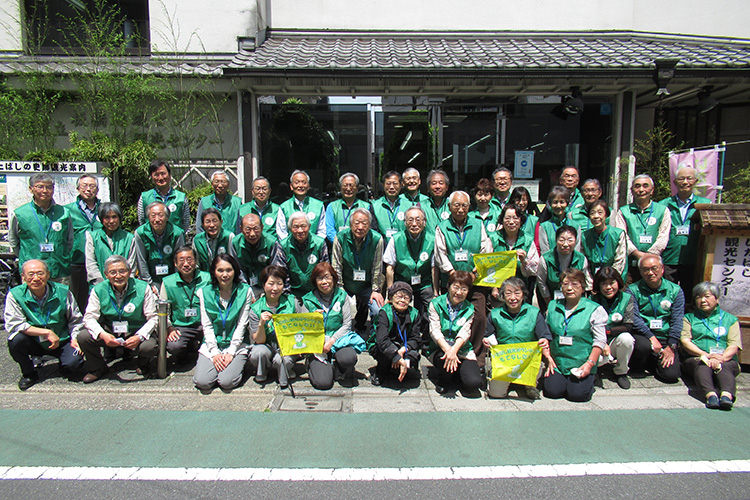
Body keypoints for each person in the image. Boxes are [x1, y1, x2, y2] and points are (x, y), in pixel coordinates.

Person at [5, 260, 85, 390]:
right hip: (34, 340)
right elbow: (14, 324)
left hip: (61, 340)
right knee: (16, 341)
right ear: (23, 276)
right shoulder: (15, 295)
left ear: (48, 274)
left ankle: (65, 365)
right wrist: (46, 332)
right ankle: (29, 373)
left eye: (40, 273)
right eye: (31, 274)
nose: (36, 278)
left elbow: (75, 320)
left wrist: (75, 338)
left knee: (74, 365)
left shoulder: (62, 291)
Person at [434, 190, 493, 364]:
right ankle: (452, 352)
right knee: (452, 318)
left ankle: (476, 356)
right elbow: (440, 254)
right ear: (449, 206)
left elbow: (486, 249)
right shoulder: (442, 227)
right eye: (457, 205)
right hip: (451, 282)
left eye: (464, 206)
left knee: (480, 317)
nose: (460, 209)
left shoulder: (477, 224)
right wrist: (453, 275)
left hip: (475, 281)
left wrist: (474, 273)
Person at [78, 255, 158, 383]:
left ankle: (144, 364)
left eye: (122, 271)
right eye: (113, 272)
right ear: (106, 274)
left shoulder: (143, 287)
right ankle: (97, 368)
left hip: (135, 329)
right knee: (83, 336)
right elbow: (89, 317)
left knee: (149, 346)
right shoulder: (98, 290)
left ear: (129, 272)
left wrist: (139, 336)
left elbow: (153, 317)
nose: (118, 276)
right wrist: (102, 334)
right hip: (110, 330)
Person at [544, 269, 608, 402]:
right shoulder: (552, 306)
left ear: (583, 287)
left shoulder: (595, 309)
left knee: (577, 395)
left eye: (574, 284)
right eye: (565, 284)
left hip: (582, 362)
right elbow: (546, 334)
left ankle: (591, 378)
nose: (569, 288)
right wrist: (548, 358)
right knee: (552, 392)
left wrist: (590, 364)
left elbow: (600, 340)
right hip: (558, 363)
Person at [483, 277, 553, 400]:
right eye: (508, 293)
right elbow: (488, 334)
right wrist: (486, 340)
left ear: (523, 295)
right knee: (496, 394)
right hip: (505, 360)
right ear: (502, 296)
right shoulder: (495, 314)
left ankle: (529, 385)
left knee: (531, 388)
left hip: (527, 360)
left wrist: (544, 341)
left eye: (517, 293)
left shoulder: (534, 313)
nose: (513, 298)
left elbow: (544, 335)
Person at [193, 254, 254, 392]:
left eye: (229, 270)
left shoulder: (245, 291)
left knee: (227, 382)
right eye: (220, 270)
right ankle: (219, 366)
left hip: (237, 345)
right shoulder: (204, 292)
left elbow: (242, 324)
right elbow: (207, 325)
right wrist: (215, 353)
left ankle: (240, 365)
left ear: (235, 271)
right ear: (214, 272)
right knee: (202, 382)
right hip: (213, 344)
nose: (225, 274)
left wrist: (231, 351)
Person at [681, 281, 742, 410]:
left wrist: (721, 358)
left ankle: (726, 396)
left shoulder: (730, 319)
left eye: (707, 296)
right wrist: (706, 355)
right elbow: (685, 341)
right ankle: (711, 395)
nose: (703, 300)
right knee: (702, 365)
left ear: (717, 298)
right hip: (697, 357)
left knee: (724, 366)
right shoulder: (689, 318)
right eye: (698, 297)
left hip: (725, 358)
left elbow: (734, 344)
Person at [301, 262, 361, 389]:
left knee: (349, 358)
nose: (324, 282)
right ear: (315, 281)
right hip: (317, 345)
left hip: (337, 340)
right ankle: (312, 363)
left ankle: (339, 368)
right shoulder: (307, 300)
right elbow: (303, 329)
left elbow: (347, 324)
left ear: (334, 278)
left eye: (327, 277)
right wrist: (311, 319)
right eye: (320, 278)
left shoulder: (342, 296)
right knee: (323, 383)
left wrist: (332, 341)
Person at [383, 206, 436, 345]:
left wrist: (436, 292)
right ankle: (398, 338)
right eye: (410, 220)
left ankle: (426, 340)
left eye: (418, 220)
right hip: (403, 281)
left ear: (424, 222)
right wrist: (390, 292)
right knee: (397, 307)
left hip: (423, 282)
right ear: (405, 222)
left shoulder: (432, 239)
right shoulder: (396, 239)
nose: (414, 224)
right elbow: (390, 268)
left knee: (431, 306)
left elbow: (434, 268)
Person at [628, 254, 684, 383]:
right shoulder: (632, 290)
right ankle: (642, 362)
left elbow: (677, 320)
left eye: (654, 268)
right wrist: (651, 337)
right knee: (642, 346)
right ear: (640, 272)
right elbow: (634, 318)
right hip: (643, 336)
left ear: (662, 268)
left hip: (665, 337)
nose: (650, 273)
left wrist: (671, 346)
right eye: (645, 269)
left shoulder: (675, 290)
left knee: (671, 376)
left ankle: (653, 361)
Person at [9, 173, 74, 284]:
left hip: (59, 270)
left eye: (49, 187)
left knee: (61, 295)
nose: (45, 191)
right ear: (31, 189)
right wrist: (27, 255)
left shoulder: (63, 213)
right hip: (32, 274)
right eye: (40, 187)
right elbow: (14, 241)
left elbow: (69, 241)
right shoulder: (20, 214)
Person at [426, 271, 483, 395]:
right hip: (440, 348)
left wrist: (454, 351)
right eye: (456, 287)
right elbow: (435, 331)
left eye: (464, 289)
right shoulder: (436, 304)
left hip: (462, 349)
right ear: (448, 286)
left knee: (473, 383)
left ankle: (456, 373)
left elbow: (465, 333)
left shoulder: (470, 308)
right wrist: (448, 350)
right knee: (444, 359)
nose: (459, 292)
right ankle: (443, 380)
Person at [331, 207, 385, 334]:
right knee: (337, 307)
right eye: (356, 223)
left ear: (370, 225)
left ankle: (374, 339)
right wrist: (340, 289)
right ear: (350, 225)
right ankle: (339, 334)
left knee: (378, 310)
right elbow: (336, 266)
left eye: (364, 223)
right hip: (345, 283)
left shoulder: (377, 239)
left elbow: (377, 267)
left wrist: (376, 290)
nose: (360, 227)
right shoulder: (340, 237)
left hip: (366, 285)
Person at [660, 166, 711, 297]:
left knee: (691, 294)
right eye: (681, 179)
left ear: (696, 181)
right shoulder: (663, 204)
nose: (685, 182)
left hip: (693, 257)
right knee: (667, 293)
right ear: (675, 182)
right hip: (670, 256)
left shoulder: (705, 204)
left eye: (689, 178)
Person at [248, 266, 302, 387]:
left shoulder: (292, 302)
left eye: (279, 284)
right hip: (266, 346)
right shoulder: (255, 308)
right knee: (258, 353)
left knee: (282, 359)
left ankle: (285, 370)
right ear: (263, 285)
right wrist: (261, 324)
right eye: (271, 284)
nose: (275, 288)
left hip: (287, 346)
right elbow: (259, 340)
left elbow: (301, 328)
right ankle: (263, 371)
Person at [613, 174, 671, 284]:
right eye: (637, 186)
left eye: (645, 186)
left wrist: (649, 256)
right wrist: (636, 253)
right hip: (631, 264)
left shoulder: (663, 211)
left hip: (654, 266)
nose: (641, 189)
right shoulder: (623, 211)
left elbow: (663, 236)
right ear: (632, 190)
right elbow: (622, 236)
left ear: (652, 190)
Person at [159, 247, 211, 364]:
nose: (186, 264)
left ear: (196, 261)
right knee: (174, 346)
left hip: (204, 324)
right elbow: (163, 310)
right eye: (181, 260)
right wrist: (169, 327)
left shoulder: (207, 279)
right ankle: (185, 353)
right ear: (175, 263)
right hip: (181, 326)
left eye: (190, 259)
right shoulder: (168, 283)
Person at [591, 267, 637, 389]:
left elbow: (628, 326)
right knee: (599, 359)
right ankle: (593, 371)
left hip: (614, 340)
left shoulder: (627, 298)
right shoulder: (591, 300)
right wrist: (601, 341)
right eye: (603, 284)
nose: (608, 287)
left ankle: (621, 372)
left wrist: (608, 331)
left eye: (612, 283)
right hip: (596, 340)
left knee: (627, 339)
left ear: (618, 282)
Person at [372, 281, 421, 387]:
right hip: (387, 345)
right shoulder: (384, 312)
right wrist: (395, 354)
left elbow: (416, 338)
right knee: (384, 353)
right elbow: (382, 340)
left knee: (413, 357)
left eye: (406, 297)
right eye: (398, 297)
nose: (402, 300)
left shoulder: (414, 313)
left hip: (404, 346)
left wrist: (402, 350)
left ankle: (401, 368)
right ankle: (380, 372)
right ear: (391, 298)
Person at [272, 211, 329, 298]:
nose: (300, 230)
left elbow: (325, 271)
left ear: (309, 226)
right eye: (295, 227)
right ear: (290, 228)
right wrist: (289, 298)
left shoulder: (320, 243)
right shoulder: (283, 246)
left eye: (303, 226)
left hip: (316, 293)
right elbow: (281, 274)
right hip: (292, 293)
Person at [66, 174, 102, 312]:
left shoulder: (104, 209)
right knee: (77, 299)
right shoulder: (68, 211)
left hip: (99, 262)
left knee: (99, 298)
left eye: (92, 186)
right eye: (84, 186)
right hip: (77, 262)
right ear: (78, 188)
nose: (88, 189)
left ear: (97, 189)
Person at [134, 201, 186, 291]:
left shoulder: (177, 233)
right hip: (151, 280)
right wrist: (149, 284)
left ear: (167, 217)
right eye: (153, 216)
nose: (157, 219)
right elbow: (141, 260)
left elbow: (180, 259)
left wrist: (176, 282)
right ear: (148, 217)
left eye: (160, 215)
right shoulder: (140, 233)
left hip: (172, 279)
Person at [537, 226, 592, 308]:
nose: (566, 244)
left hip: (575, 300)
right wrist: (549, 303)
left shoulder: (581, 259)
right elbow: (541, 282)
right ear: (556, 240)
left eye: (570, 240)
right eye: (562, 240)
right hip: (550, 298)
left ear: (576, 241)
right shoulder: (545, 259)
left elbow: (583, 283)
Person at [488, 203, 539, 293]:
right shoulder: (493, 238)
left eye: (515, 218)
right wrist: (493, 288)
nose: (511, 222)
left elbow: (535, 270)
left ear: (521, 220)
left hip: (520, 290)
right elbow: (486, 264)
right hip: (498, 290)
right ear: (502, 220)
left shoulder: (528, 240)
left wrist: (524, 261)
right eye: (507, 218)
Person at [85, 202, 136, 285]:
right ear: (101, 219)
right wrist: (103, 285)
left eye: (114, 217)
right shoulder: (93, 237)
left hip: (124, 285)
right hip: (99, 285)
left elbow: (131, 266)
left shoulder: (129, 238)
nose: (111, 221)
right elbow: (91, 264)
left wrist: (123, 284)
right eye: (107, 217)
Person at [230, 213, 278, 297]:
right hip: (243, 286)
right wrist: (246, 290)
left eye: (256, 229)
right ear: (241, 229)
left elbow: (275, 269)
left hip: (267, 287)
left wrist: (267, 289)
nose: (252, 234)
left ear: (262, 228)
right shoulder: (235, 243)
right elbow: (237, 269)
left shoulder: (271, 242)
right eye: (248, 229)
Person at [136, 160, 190, 231]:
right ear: (151, 177)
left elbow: (186, 223)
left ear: (170, 175)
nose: (160, 178)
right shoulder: (144, 198)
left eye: (163, 173)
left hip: (174, 237)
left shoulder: (181, 197)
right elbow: (142, 221)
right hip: (151, 237)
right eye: (156, 175)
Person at [581, 200, 627, 280]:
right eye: (592, 213)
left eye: (600, 213)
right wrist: (591, 283)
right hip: (592, 280)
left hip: (613, 279)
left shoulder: (618, 234)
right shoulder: (584, 236)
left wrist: (609, 280)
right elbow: (584, 263)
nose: (596, 216)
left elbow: (620, 260)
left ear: (606, 215)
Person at [276, 170, 326, 240]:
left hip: (314, 246)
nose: (300, 186)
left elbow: (322, 230)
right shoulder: (284, 207)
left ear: (308, 186)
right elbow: (281, 232)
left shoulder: (319, 205)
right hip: (290, 246)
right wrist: (289, 245)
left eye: (304, 182)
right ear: (291, 186)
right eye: (297, 182)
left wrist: (315, 244)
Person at [325, 172, 371, 243]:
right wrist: (340, 243)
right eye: (345, 185)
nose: (348, 189)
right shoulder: (332, 207)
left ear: (357, 189)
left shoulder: (366, 206)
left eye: (351, 185)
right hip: (338, 245)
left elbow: (368, 229)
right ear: (340, 188)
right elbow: (330, 230)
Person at [195, 171, 241, 235]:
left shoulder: (237, 202)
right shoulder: (204, 201)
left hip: (230, 239)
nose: (220, 185)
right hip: (209, 240)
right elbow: (199, 226)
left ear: (228, 185)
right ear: (212, 185)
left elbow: (240, 226)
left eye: (223, 182)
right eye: (216, 182)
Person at [538, 186, 578, 255]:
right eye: (555, 202)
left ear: (567, 203)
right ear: (550, 204)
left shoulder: (576, 226)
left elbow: (577, 251)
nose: (558, 206)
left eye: (562, 202)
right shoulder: (544, 227)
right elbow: (545, 252)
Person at [192, 207, 234, 272]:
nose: (211, 225)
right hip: (205, 276)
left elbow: (233, 262)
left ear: (221, 222)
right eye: (207, 222)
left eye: (215, 221)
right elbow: (196, 265)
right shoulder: (197, 240)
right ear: (203, 225)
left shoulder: (229, 237)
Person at [371, 170, 408, 241]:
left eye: (395, 184)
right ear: (383, 185)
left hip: (403, 245)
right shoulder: (375, 206)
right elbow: (374, 231)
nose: (391, 187)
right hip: (382, 246)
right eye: (388, 184)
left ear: (401, 185)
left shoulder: (408, 206)